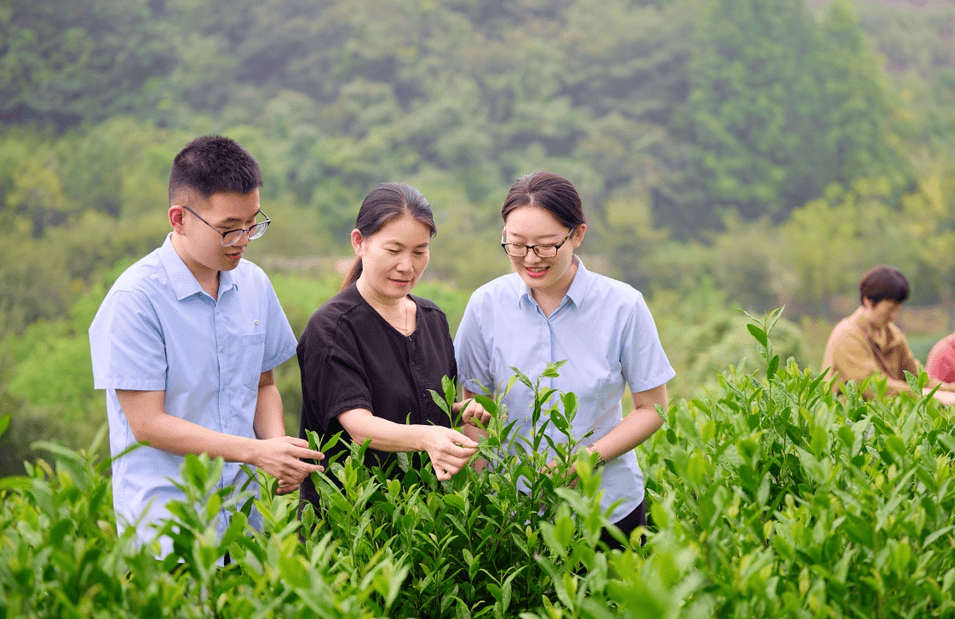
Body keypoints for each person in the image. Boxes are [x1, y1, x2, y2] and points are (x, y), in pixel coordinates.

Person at [89, 135, 324, 557]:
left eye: (253, 223)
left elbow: (263, 384)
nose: (244, 240)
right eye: (229, 229)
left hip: (244, 519)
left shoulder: (254, 285)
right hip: (167, 529)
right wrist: (257, 452)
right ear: (179, 218)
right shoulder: (136, 300)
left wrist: (277, 448)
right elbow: (147, 424)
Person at [454, 171, 675, 549]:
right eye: (516, 245)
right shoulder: (485, 305)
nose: (530, 259)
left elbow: (652, 409)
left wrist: (585, 460)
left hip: (607, 509)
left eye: (546, 246)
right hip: (513, 514)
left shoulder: (623, 306)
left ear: (577, 235)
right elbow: (474, 409)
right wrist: (481, 497)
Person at [296, 183, 486, 513]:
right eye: (393, 250)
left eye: (419, 251)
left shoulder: (432, 319)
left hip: (424, 525)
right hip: (351, 522)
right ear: (359, 243)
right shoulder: (332, 327)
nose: (407, 266)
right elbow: (359, 426)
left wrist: (456, 414)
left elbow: (409, 403)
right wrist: (430, 438)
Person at [822, 265, 955, 403]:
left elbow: (916, 376)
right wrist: (930, 396)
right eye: (889, 309)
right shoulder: (847, 336)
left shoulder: (893, 334)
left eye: (898, 309)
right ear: (868, 301)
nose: (894, 316)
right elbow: (874, 385)